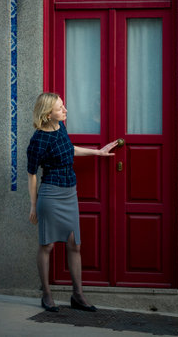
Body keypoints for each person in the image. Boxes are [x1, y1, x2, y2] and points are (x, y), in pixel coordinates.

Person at [27, 92, 118, 313]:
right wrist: (33, 205)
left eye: (64, 106)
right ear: (48, 114)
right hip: (50, 195)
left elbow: (70, 149)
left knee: (74, 244)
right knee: (47, 245)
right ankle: (47, 295)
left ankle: (78, 295)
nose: (65, 110)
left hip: (70, 193)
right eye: (60, 108)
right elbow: (31, 174)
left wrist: (98, 152)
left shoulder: (61, 128)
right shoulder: (38, 140)